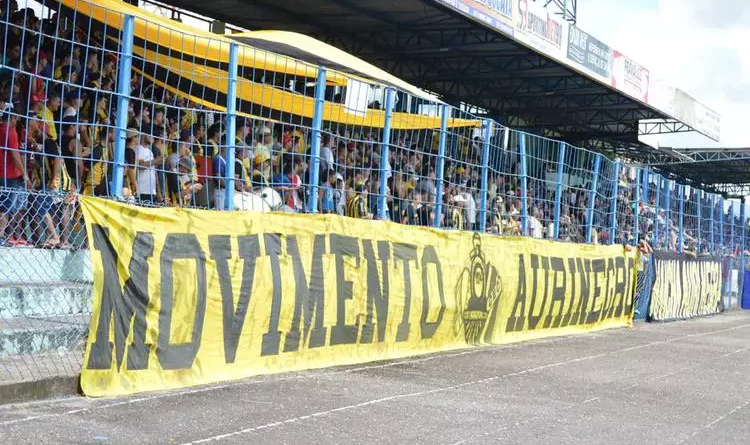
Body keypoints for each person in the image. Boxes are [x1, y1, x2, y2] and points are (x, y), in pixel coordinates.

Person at [0, 108, 31, 246]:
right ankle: (1, 236)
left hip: (2, 173)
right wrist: (25, 175)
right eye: (16, 118)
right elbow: (15, 155)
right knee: (6, 208)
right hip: (9, 174)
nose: (17, 121)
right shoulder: (10, 132)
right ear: (11, 118)